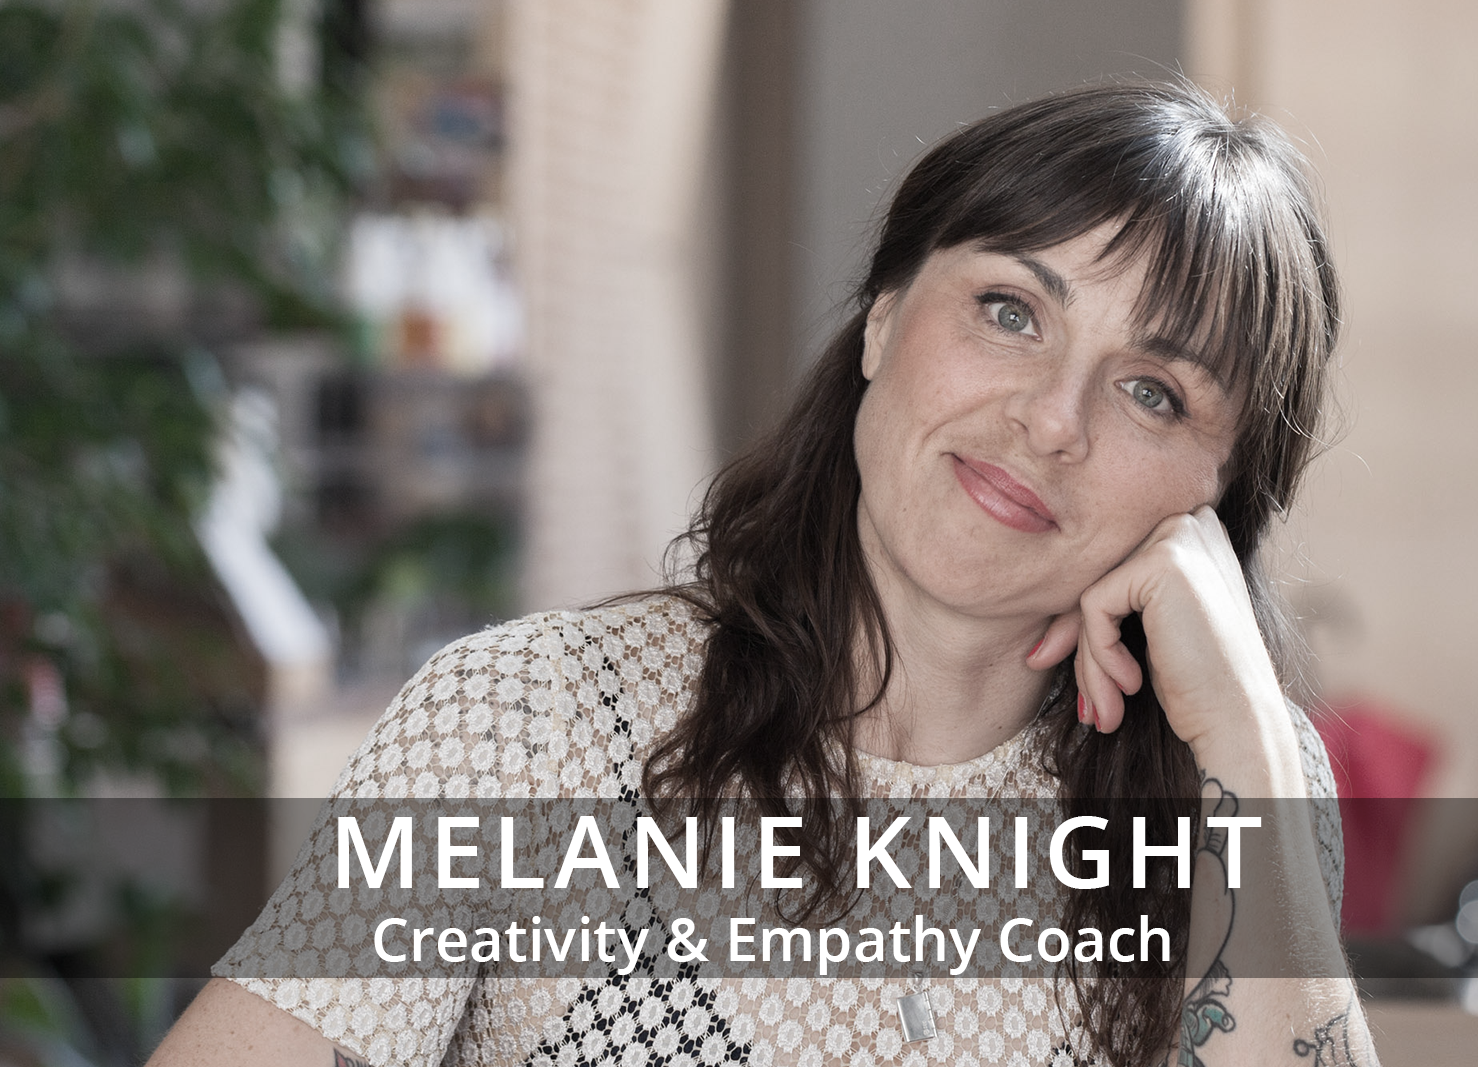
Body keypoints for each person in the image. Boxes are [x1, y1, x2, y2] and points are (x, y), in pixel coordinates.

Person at [150, 80, 1375, 1067]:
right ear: (885, 319)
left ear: (1216, 500)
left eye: (1152, 391)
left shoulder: (1240, 788)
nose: (1054, 419)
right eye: (1010, 311)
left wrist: (1249, 747)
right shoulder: (524, 723)